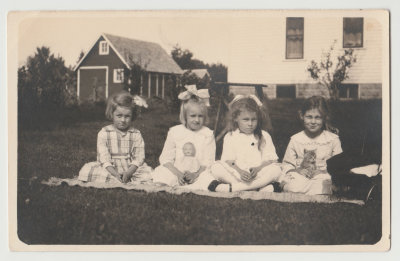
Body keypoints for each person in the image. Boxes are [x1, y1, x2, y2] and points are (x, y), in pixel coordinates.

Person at [208, 95, 281, 192]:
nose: (250, 124)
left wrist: (258, 168)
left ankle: (233, 188)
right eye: (246, 119)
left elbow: (270, 159)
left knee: (276, 170)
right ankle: (259, 188)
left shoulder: (264, 135)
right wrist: (240, 172)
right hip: (237, 174)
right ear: (235, 118)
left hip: (258, 174)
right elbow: (228, 161)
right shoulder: (230, 136)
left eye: (253, 119)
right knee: (216, 168)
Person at [151, 85, 216, 190]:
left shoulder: (207, 134)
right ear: (185, 115)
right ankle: (173, 181)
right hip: (176, 171)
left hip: (198, 173)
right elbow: (166, 158)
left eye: (200, 116)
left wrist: (195, 174)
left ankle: (197, 182)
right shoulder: (175, 131)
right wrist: (178, 173)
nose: (197, 120)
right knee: (162, 172)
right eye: (193, 116)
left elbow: (208, 161)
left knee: (209, 176)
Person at [78, 91, 151, 184]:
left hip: (130, 168)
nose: (123, 120)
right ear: (112, 114)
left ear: (132, 116)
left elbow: (139, 157)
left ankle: (124, 178)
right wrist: (115, 173)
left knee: (149, 174)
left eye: (127, 116)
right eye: (119, 116)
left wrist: (128, 173)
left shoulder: (136, 134)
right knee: (87, 171)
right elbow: (103, 158)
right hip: (110, 168)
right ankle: (115, 178)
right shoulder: (104, 133)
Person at [280, 96, 342, 195]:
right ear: (302, 116)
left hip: (323, 175)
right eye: (309, 117)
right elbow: (287, 164)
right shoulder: (295, 139)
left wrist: (322, 172)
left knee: (324, 182)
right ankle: (314, 191)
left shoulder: (332, 139)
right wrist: (299, 170)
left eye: (317, 117)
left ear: (324, 118)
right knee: (294, 182)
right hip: (301, 175)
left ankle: (314, 190)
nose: (313, 122)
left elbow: (339, 165)